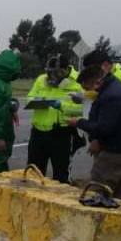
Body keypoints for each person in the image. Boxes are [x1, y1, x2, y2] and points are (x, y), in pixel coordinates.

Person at [68, 51, 121, 200]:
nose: (86, 91)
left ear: (97, 80)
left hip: (119, 152)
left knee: (98, 193)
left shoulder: (111, 95)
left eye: (87, 88)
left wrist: (79, 122)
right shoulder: (112, 86)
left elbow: (104, 128)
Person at [25, 55, 84, 183]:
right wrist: (36, 101)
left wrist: (61, 106)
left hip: (61, 134)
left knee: (61, 175)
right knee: (33, 174)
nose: (51, 77)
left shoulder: (78, 82)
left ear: (65, 70)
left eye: (56, 73)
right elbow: (29, 97)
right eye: (49, 73)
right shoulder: (41, 79)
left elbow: (81, 109)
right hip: (38, 133)